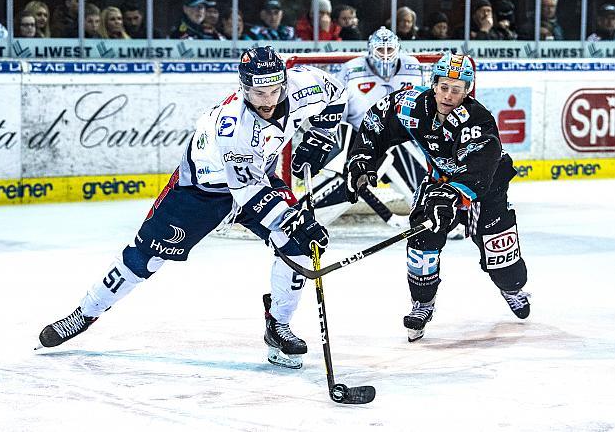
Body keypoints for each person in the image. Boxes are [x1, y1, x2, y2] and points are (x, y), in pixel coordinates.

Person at [37, 46, 348, 371]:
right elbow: (249, 194)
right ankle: (85, 312)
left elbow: (337, 91)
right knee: (145, 257)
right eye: (258, 92)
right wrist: (292, 217)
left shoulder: (303, 86)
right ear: (243, 87)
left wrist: (322, 134)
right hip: (202, 188)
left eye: (274, 90)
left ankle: (278, 325)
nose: (269, 100)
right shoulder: (233, 126)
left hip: (258, 175)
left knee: (297, 246)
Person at [345, 52, 530, 342]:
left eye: (457, 89)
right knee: (422, 232)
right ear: (433, 84)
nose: (448, 95)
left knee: (502, 261)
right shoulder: (411, 104)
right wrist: (361, 161)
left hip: (488, 186)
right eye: (444, 86)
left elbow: (480, 167)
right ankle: (422, 302)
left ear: (468, 91)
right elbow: (376, 122)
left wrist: (452, 195)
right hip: (440, 178)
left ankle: (512, 287)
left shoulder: (478, 120)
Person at [313, 27, 464, 239]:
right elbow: (337, 113)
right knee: (343, 180)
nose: (385, 55)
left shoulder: (413, 66)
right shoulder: (351, 70)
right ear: (369, 50)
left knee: (417, 166)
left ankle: (437, 215)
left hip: (401, 138)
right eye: (380, 50)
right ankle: (310, 218)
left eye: (389, 49)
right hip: (360, 137)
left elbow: (426, 107)